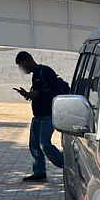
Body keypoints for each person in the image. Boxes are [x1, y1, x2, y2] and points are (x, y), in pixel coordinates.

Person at [14, 51, 64, 182]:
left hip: (48, 115)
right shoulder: (35, 75)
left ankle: (66, 164)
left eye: (22, 65)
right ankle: (39, 172)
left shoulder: (45, 71)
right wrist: (28, 94)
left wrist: (35, 94)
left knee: (44, 144)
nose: (22, 69)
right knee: (34, 145)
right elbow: (38, 93)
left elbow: (52, 92)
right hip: (38, 116)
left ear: (29, 60)